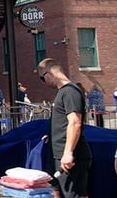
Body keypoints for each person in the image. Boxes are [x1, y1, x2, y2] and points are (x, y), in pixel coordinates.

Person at [38, 58, 91, 198]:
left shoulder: (70, 91)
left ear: (48, 73)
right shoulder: (62, 93)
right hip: (58, 155)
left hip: (71, 158)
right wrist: (52, 134)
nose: (44, 83)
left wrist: (68, 152)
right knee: (56, 190)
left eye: (42, 78)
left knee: (75, 195)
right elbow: (63, 122)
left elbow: (75, 122)